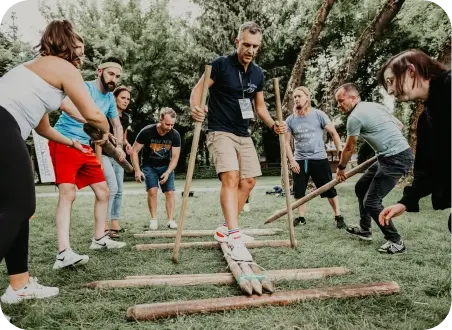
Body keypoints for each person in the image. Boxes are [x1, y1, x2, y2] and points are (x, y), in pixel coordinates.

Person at [0, 19, 110, 304]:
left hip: (6, 125)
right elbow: (94, 114)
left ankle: (19, 285)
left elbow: (42, 127)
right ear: (66, 44)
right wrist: (106, 131)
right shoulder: (63, 67)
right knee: (22, 205)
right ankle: (19, 285)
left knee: (14, 208)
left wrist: (71, 141)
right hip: (2, 125)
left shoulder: (37, 70)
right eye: (79, 46)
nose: (82, 54)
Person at [190, 21, 286, 261]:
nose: (250, 50)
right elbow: (198, 90)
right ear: (237, 42)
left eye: (255, 46)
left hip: (244, 133)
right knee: (231, 177)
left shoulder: (258, 73)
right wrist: (196, 107)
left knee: (249, 181)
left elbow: (260, 107)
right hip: (219, 131)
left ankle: (225, 228)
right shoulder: (220, 65)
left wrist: (274, 124)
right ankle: (234, 235)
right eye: (246, 45)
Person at [50, 56, 127, 270]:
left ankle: (99, 239)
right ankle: (63, 253)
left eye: (118, 76)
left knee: (104, 191)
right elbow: (64, 104)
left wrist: (118, 145)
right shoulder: (83, 87)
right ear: (99, 71)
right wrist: (93, 121)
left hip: (85, 145)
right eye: (111, 74)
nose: (114, 79)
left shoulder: (110, 99)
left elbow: (116, 125)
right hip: (64, 141)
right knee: (68, 194)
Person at [377, 49, 452, 232]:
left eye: (391, 81)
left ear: (411, 71)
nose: (390, 90)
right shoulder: (427, 119)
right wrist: (406, 202)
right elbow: (428, 169)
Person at [334, 83, 413, 254]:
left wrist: (341, 168)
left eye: (341, 101)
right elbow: (399, 125)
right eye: (338, 102)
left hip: (395, 158)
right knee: (361, 187)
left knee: (371, 201)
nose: (340, 105)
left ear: (353, 97)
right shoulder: (374, 106)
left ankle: (396, 241)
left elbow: (348, 148)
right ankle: (365, 230)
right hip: (387, 156)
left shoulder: (354, 117)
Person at [285, 86, 346, 228]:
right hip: (300, 160)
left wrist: (340, 150)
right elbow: (286, 143)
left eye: (299, 96)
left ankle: (338, 216)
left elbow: (334, 133)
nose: (296, 99)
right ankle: (301, 218)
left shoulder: (319, 115)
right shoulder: (290, 120)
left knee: (329, 188)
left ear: (307, 97)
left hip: (319, 158)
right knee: (299, 190)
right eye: (294, 97)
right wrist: (292, 160)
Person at [131, 108, 181, 230]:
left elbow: (175, 157)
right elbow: (134, 151)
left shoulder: (175, 135)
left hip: (166, 166)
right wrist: (137, 170)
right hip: (149, 166)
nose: (169, 127)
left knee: (169, 192)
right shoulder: (147, 132)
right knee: (152, 191)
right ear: (160, 119)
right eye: (167, 124)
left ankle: (170, 220)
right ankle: (153, 219)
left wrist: (168, 172)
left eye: (172, 124)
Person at [94, 85, 132, 239]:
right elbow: (97, 138)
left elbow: (122, 137)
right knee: (112, 188)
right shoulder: (104, 113)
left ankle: (114, 222)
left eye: (128, 99)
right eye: (123, 98)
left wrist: (126, 144)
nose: (126, 101)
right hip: (103, 154)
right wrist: (98, 161)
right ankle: (103, 224)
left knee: (120, 190)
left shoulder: (125, 117)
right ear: (114, 98)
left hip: (118, 154)